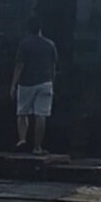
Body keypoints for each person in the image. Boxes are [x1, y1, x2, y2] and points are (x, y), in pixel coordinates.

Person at [10, 16, 58, 155]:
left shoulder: (24, 44)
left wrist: (13, 84)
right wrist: (52, 83)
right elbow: (53, 67)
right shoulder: (50, 44)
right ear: (40, 28)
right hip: (45, 82)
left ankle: (23, 139)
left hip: (27, 83)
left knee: (22, 113)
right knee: (41, 115)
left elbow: (19, 65)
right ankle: (37, 147)